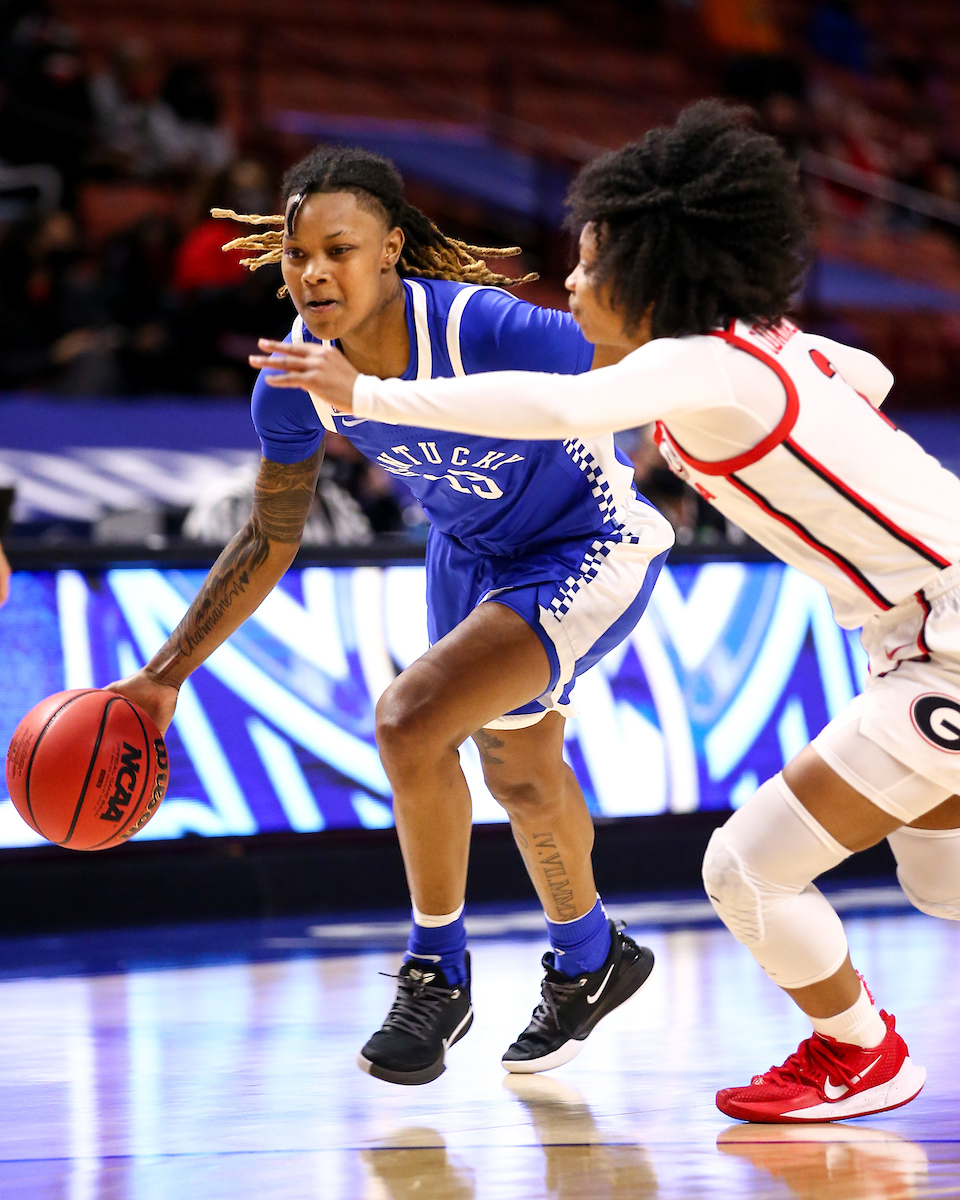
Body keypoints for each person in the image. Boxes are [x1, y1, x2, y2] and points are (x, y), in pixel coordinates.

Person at [282, 101, 960, 1122]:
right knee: (938, 880)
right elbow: (867, 372)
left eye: (591, 267)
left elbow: (554, 408)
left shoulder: (692, 365)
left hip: (947, 636)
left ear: (651, 279)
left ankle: (858, 1050)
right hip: (908, 633)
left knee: (744, 872)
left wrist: (369, 399)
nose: (570, 284)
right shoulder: (759, 348)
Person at [110, 146, 674, 1086]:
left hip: (587, 541)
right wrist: (166, 675)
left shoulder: (487, 328)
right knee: (522, 774)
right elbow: (270, 535)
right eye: (298, 254)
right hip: (470, 558)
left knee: (409, 720)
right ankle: (592, 959)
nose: (315, 271)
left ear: (390, 253)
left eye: (341, 249)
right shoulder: (291, 377)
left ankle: (435, 972)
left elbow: (642, 360)